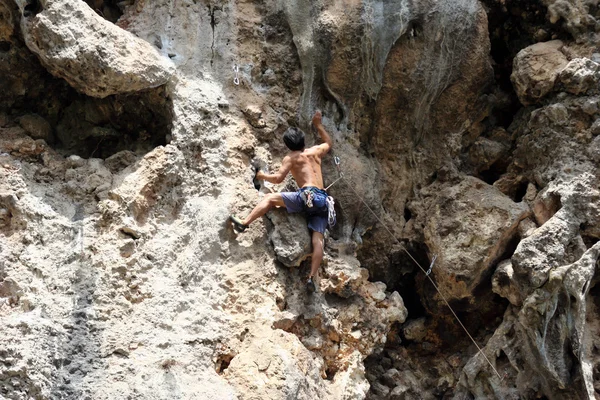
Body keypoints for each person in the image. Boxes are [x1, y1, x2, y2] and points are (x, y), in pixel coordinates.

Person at [230, 110, 333, 293]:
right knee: (318, 240)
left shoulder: (291, 158)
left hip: (307, 196)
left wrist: (261, 175)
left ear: (287, 144)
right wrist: (318, 125)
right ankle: (311, 278)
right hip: (323, 201)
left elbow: (278, 179)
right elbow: (328, 143)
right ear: (302, 141)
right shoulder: (316, 151)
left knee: (270, 199)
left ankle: (245, 223)